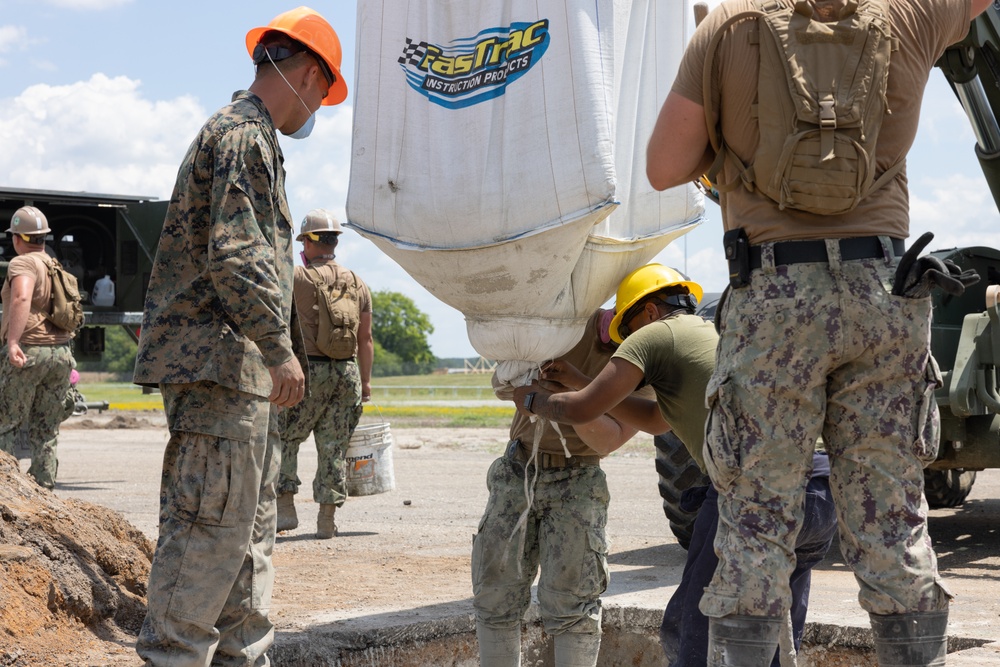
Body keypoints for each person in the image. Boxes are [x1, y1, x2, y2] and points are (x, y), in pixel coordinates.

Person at [645, 0, 992, 662]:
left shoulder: (727, 27)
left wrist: (730, 134)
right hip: (884, 296)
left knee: (754, 528)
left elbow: (664, 166)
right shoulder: (910, 15)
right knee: (895, 528)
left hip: (772, 301)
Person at [131, 7, 348, 665]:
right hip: (219, 365)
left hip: (239, 373)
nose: (317, 107)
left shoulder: (256, 141)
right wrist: (278, 346)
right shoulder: (240, 136)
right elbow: (236, 250)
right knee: (206, 540)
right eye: (323, 90)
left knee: (244, 544)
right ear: (308, 72)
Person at [512, 264, 837, 666]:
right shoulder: (714, 336)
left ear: (646, 313)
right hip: (818, 497)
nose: (625, 345)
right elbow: (654, 420)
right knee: (770, 635)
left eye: (625, 333)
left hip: (751, 498)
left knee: (690, 630)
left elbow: (582, 411)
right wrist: (581, 378)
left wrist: (529, 399)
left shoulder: (654, 335)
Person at [474, 308, 652, 667]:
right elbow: (512, 387)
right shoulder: (564, 326)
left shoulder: (650, 363)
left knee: (574, 602)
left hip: (578, 480)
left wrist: (575, 392)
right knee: (495, 595)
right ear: (640, 310)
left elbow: (608, 440)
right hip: (519, 470)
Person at [277, 209, 373, 538]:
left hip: (308, 371)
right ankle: (326, 520)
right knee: (332, 446)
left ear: (308, 241)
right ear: (334, 242)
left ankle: (285, 508)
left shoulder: (297, 278)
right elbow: (366, 339)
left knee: (286, 437)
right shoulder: (358, 283)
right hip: (347, 374)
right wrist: (366, 382)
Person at [0, 206, 75, 489]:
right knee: (46, 429)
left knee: (6, 422)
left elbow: (21, 298)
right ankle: (44, 488)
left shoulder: (23, 264)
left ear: (18, 238)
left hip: (30, 351)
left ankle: (5, 493)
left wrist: (13, 341)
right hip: (60, 354)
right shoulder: (54, 264)